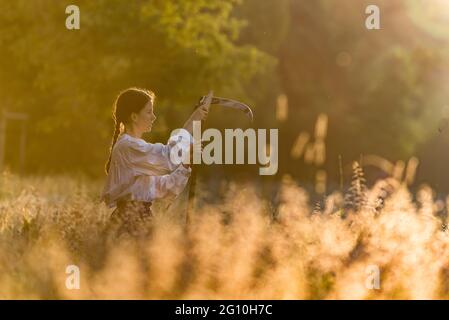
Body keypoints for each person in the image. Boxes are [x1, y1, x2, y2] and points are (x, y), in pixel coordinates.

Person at [101, 87, 209, 238]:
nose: (153, 117)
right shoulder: (128, 146)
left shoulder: (136, 149)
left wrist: (185, 163)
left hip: (141, 218)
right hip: (130, 220)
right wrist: (193, 119)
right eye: (148, 112)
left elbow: (163, 187)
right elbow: (167, 157)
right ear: (134, 116)